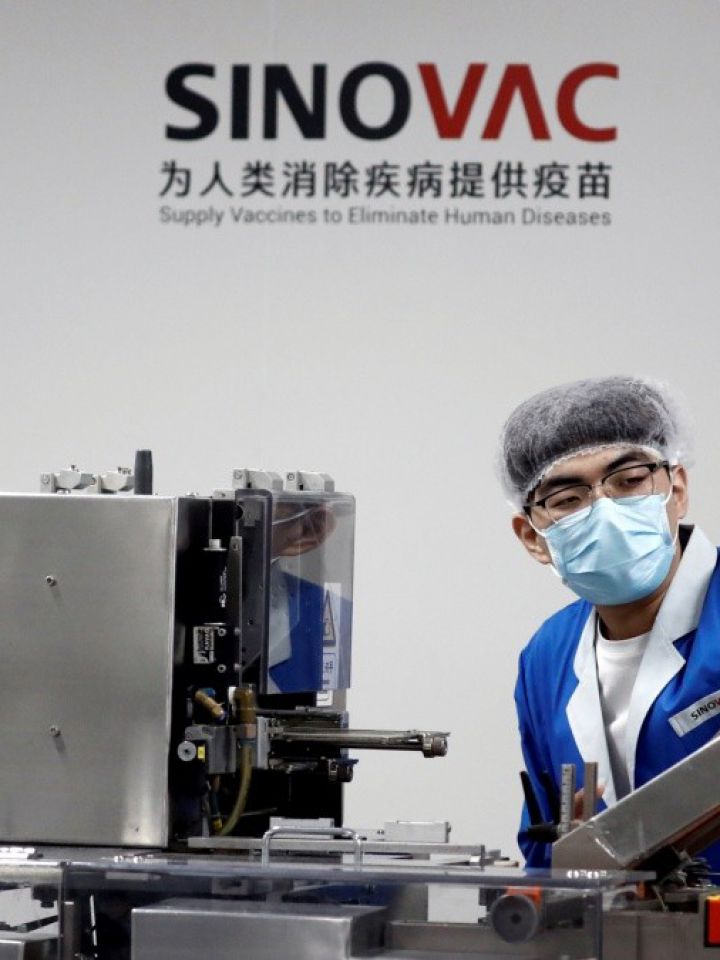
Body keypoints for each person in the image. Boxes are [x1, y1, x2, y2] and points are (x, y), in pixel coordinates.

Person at [498, 376, 720, 870]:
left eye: (630, 480)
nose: (605, 510)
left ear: (677, 489)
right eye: (567, 498)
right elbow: (545, 846)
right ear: (532, 537)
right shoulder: (547, 655)